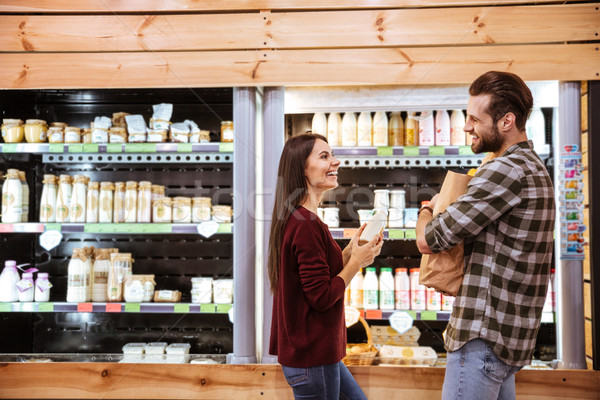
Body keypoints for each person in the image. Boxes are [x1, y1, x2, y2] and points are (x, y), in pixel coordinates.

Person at [416, 71, 556, 400]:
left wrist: (428, 210)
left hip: (482, 337)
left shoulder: (505, 169)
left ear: (506, 121)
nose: (467, 127)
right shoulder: (534, 167)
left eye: (474, 119)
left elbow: (429, 239)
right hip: (508, 340)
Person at [268, 133, 383, 400]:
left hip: (317, 357)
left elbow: (318, 275)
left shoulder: (300, 218)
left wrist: (351, 250)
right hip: (313, 360)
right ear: (301, 168)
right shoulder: (306, 224)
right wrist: (357, 262)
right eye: (324, 156)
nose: (336, 162)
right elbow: (320, 297)